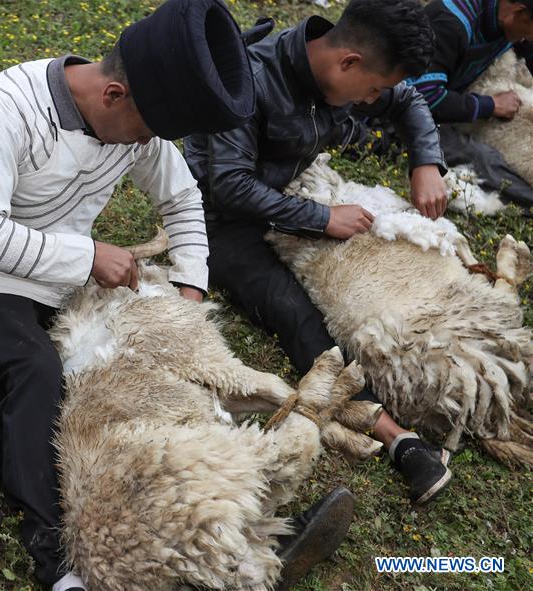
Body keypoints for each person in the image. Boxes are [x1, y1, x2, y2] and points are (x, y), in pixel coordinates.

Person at [0, 1, 349, 588]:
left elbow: (183, 200)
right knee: (35, 376)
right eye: (144, 133)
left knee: (104, 394)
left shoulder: (138, 126)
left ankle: (221, 518)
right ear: (113, 95)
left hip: (62, 283)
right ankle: (56, 559)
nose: (145, 146)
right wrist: (88, 255)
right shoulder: (6, 105)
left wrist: (190, 289)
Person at [185, 0, 454, 507]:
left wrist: (427, 161)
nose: (377, 98)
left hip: (292, 190)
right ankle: (400, 438)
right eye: (373, 90)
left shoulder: (344, 70)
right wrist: (321, 218)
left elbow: (407, 99)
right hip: (220, 222)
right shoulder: (250, 81)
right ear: (347, 62)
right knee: (294, 313)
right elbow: (225, 183)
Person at [405, 0, 533, 206]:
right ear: (519, 12)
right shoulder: (452, 24)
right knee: (489, 163)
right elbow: (424, 96)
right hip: (398, 113)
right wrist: (490, 105)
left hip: (431, 103)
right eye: (529, 32)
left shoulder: (507, 18)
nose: (526, 39)